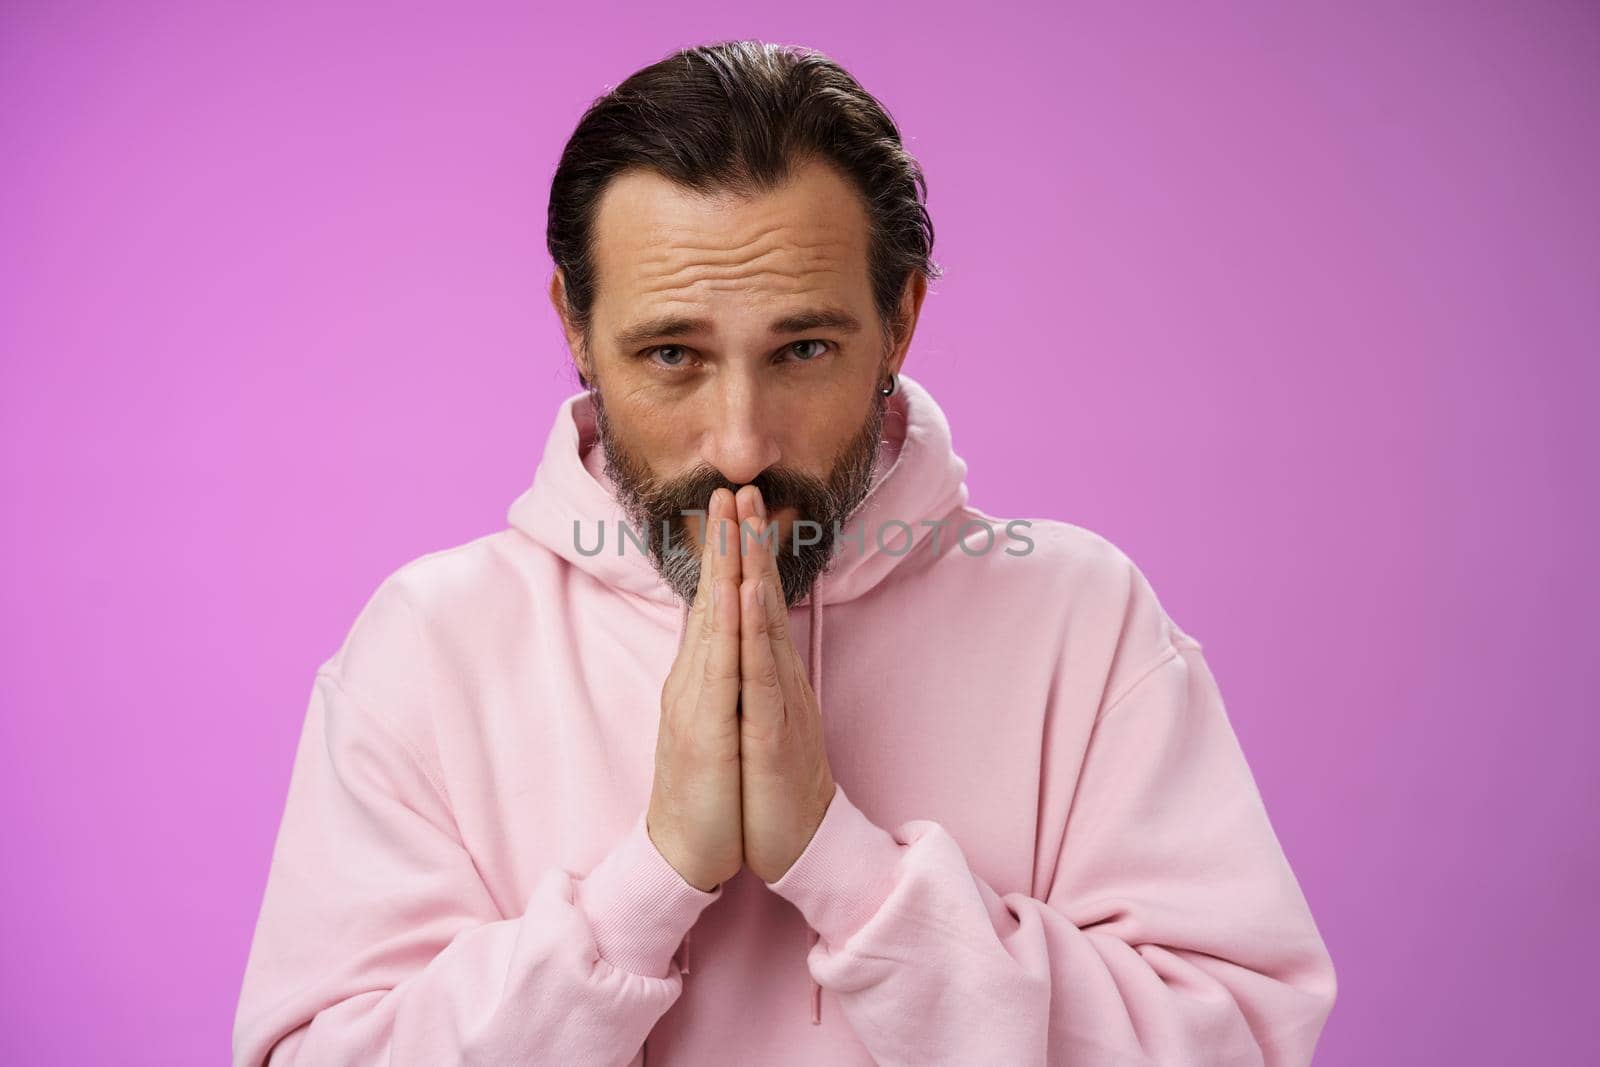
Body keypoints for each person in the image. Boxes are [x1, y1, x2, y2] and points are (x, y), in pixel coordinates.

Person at [233, 39, 1337, 1066]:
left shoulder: (1083, 620)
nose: (740, 445)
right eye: (672, 352)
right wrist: (652, 875)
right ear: (575, 326)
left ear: (898, 321)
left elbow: (1239, 1038)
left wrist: (843, 865)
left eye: (803, 346)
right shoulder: (428, 645)